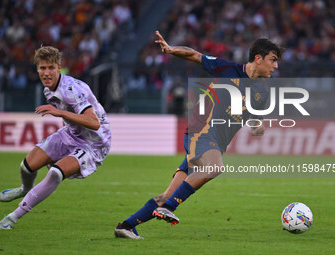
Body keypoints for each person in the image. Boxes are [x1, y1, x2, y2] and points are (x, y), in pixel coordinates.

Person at [114, 31, 283, 239]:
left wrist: (257, 127)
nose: (276, 66)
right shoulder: (227, 69)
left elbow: (255, 118)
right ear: (258, 58)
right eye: (273, 60)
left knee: (168, 193)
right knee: (215, 167)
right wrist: (170, 49)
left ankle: (126, 226)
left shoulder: (262, 92)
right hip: (200, 130)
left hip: (214, 143)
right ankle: (169, 208)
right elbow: (195, 55)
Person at [0, 46, 112, 230]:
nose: (46, 73)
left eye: (51, 67)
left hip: (94, 143)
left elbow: (94, 122)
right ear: (37, 69)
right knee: (26, 167)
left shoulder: (72, 89)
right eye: (42, 68)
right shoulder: (48, 90)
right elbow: (68, 117)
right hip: (71, 134)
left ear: (59, 67)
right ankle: (25, 189)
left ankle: (12, 218)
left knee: (55, 173)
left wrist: (59, 113)